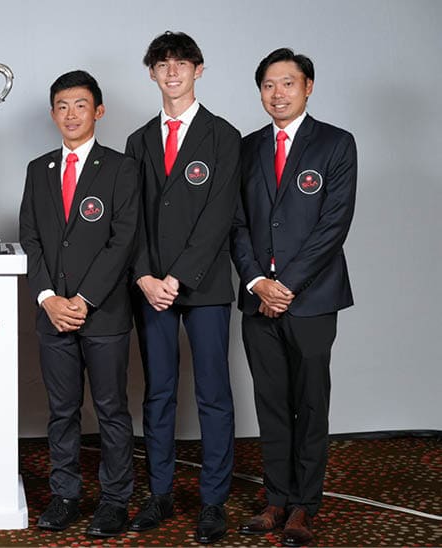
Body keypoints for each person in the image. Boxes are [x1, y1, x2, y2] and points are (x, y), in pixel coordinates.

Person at [231, 48, 357, 547]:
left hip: (312, 300)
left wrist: (287, 286)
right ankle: (276, 498)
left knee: (310, 402)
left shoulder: (335, 144)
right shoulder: (245, 148)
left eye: (287, 83)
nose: (277, 93)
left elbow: (334, 225)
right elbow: (236, 224)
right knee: (272, 404)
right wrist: (257, 282)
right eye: (268, 85)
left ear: (308, 87)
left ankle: (305, 505)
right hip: (257, 299)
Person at [125, 32, 240, 544]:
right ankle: (160, 492)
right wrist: (148, 276)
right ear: (151, 73)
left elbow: (220, 217)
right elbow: (132, 220)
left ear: (199, 70)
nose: (173, 72)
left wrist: (178, 276)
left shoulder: (224, 136)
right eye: (163, 64)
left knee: (214, 393)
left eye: (182, 63)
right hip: (151, 287)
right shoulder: (139, 140)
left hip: (205, 284)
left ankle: (213, 501)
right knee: (160, 393)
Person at [19, 70, 139, 538]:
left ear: (99, 111)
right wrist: (49, 298)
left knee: (110, 409)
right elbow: (30, 236)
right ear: (53, 114)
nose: (71, 114)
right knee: (62, 410)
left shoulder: (121, 168)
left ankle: (114, 500)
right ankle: (65, 494)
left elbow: (123, 240)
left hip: (103, 314)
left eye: (81, 105)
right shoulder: (38, 169)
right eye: (63, 106)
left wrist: (84, 300)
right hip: (53, 316)